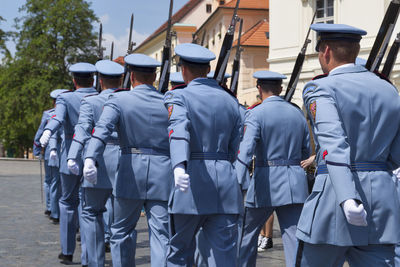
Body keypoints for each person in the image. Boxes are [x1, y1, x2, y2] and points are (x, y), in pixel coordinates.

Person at [297, 23, 400, 266]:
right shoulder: (388, 89)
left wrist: (347, 198)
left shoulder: (320, 88)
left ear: (326, 52)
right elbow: (396, 153)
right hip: (381, 202)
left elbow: (333, 143)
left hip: (334, 199)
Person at [82, 53, 172, 267]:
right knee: (161, 235)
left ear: (131, 77)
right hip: (162, 171)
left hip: (130, 169)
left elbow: (101, 131)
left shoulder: (119, 99)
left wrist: (90, 157)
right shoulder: (168, 101)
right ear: (155, 76)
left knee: (121, 231)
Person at [164, 43, 243, 267]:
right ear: (208, 70)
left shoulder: (178, 97)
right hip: (226, 183)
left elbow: (178, 130)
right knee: (224, 256)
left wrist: (179, 165)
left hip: (191, 182)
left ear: (184, 70)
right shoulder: (230, 100)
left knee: (179, 252)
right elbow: (236, 145)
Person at [236, 70, 311, 267]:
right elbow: (306, 151)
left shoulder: (256, 113)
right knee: (295, 238)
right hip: (295, 181)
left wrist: (236, 180)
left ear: (259, 88)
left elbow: (246, 150)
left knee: (246, 235)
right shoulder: (297, 113)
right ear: (280, 88)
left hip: (266, 182)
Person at [39, 62, 98, 265]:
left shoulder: (66, 98)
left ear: (74, 81)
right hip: (94, 156)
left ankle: (67, 251)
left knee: (67, 203)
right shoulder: (100, 97)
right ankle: (88, 257)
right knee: (88, 206)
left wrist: (48, 131)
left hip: (70, 156)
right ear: (93, 80)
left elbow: (57, 117)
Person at [67, 60, 123, 266]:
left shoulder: (90, 102)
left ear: (99, 80)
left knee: (91, 213)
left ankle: (94, 262)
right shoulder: (128, 99)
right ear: (122, 79)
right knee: (121, 223)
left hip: (96, 159)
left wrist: (72, 156)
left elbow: (81, 131)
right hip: (123, 162)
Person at [33, 89, 67, 223]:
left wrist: (37, 149)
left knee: (53, 181)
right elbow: (41, 132)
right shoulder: (49, 114)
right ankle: (52, 208)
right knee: (53, 181)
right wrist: (37, 150)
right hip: (54, 152)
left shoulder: (49, 114)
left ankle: (52, 208)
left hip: (55, 151)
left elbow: (39, 133)